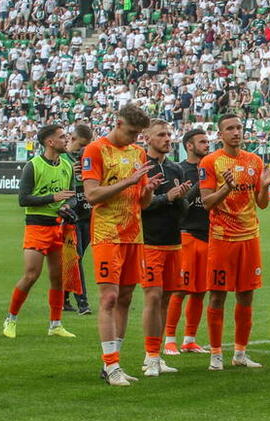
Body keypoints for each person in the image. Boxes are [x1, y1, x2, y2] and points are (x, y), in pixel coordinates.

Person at [82, 104, 161, 386]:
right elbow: (92, 196)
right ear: (117, 123)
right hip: (107, 234)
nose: (136, 139)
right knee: (109, 298)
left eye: (139, 134)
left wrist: (148, 190)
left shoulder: (138, 153)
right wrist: (129, 181)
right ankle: (110, 365)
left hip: (133, 235)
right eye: (131, 132)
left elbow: (141, 201)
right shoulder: (95, 150)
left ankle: (114, 363)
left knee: (126, 298)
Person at [199, 113, 270, 370]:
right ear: (220, 135)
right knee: (218, 296)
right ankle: (216, 353)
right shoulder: (211, 162)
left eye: (239, 128)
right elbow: (206, 202)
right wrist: (226, 188)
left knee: (246, 296)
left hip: (249, 237)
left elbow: (262, 204)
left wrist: (264, 187)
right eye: (230, 129)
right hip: (222, 238)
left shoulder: (254, 161)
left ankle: (241, 352)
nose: (236, 132)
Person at [2, 124, 78, 339]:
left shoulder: (67, 165)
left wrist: (67, 206)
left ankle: (55, 324)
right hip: (36, 226)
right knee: (31, 275)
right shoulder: (33, 166)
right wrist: (52, 199)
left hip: (58, 227)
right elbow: (23, 199)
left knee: (57, 278)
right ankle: (11, 319)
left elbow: (71, 196)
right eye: (62, 137)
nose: (67, 140)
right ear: (50, 142)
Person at [140, 118, 190, 376]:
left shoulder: (175, 169)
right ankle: (149, 356)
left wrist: (180, 199)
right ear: (147, 138)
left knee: (167, 299)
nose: (167, 139)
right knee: (153, 297)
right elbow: (141, 205)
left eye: (169, 134)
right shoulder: (141, 167)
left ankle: (157, 355)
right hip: (149, 241)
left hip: (174, 241)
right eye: (161, 135)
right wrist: (166, 197)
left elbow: (183, 209)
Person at [164, 129, 211, 355]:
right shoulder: (181, 170)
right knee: (180, 289)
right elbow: (180, 203)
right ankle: (170, 338)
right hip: (187, 233)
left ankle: (190, 339)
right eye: (202, 142)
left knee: (201, 290)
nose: (207, 145)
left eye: (207, 141)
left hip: (208, 234)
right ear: (189, 146)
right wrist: (199, 185)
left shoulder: (213, 167)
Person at [63, 123, 94, 315]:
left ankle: (63, 297)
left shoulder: (89, 158)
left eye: (86, 145)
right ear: (72, 139)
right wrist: (73, 175)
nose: (83, 150)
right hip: (71, 217)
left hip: (88, 215)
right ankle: (83, 303)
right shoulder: (62, 160)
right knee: (76, 257)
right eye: (81, 145)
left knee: (76, 257)